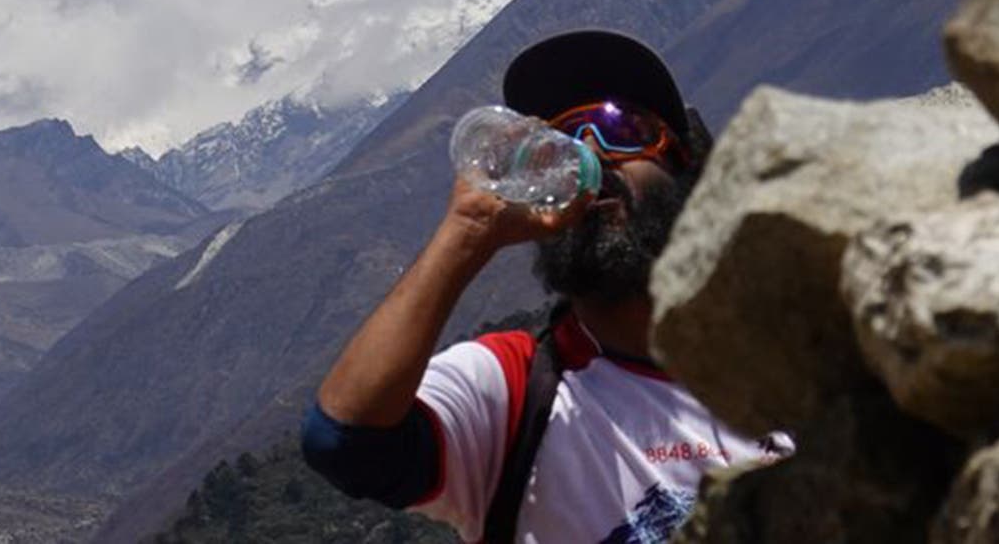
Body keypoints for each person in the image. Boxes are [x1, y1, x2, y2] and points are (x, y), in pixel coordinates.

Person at [301, 28, 790, 544]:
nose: (590, 157)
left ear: (685, 168)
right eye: (557, 146)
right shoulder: (512, 391)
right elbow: (342, 440)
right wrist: (468, 231)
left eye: (618, 127)